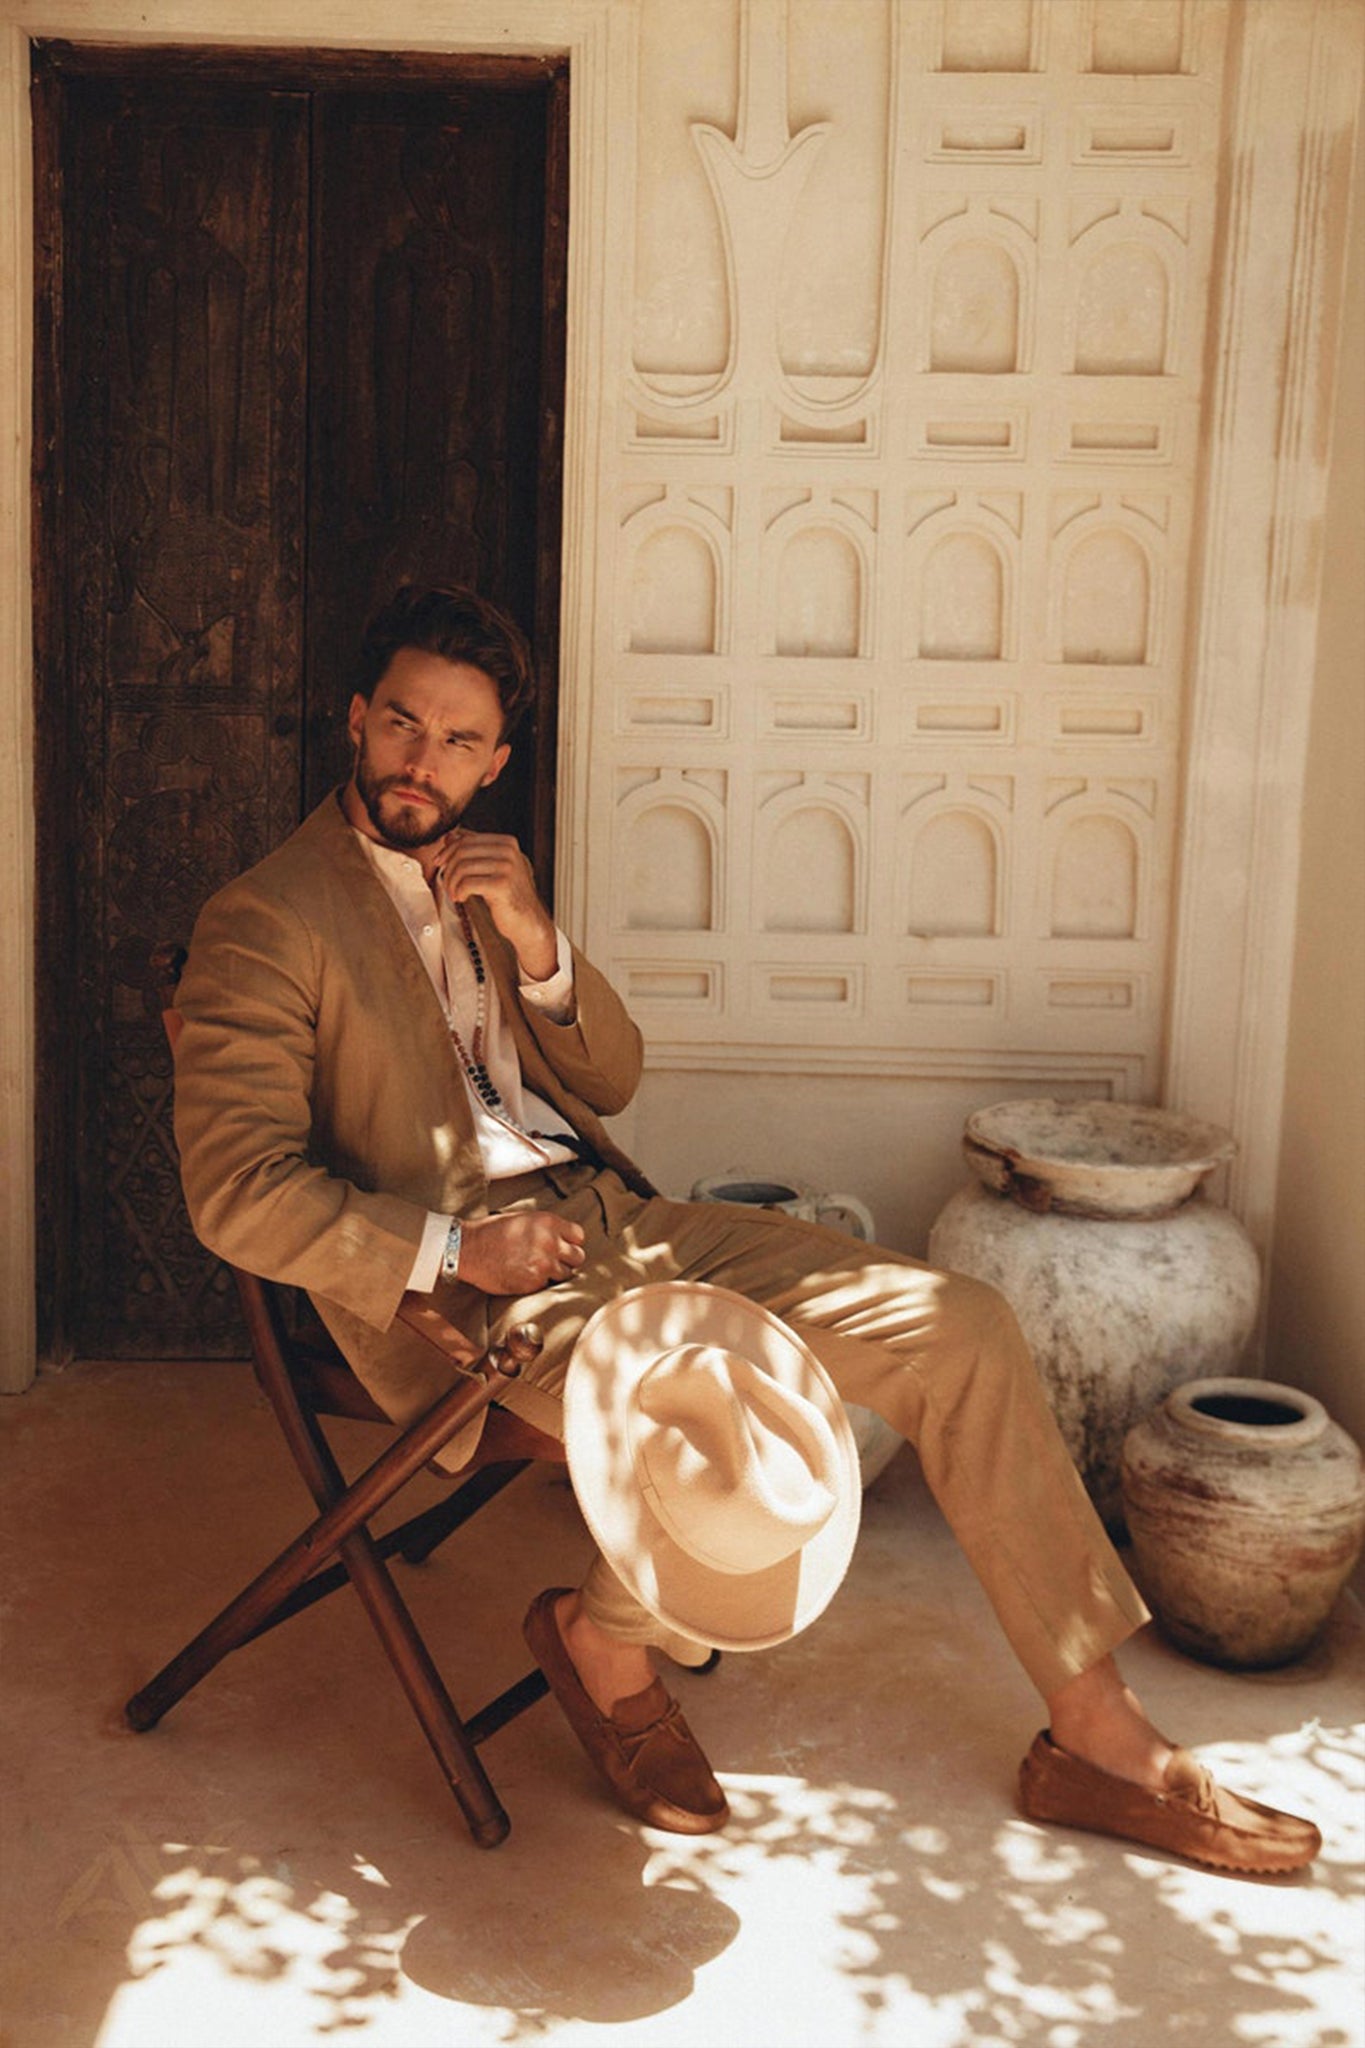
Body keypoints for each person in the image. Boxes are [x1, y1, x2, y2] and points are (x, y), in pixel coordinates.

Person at [173, 585, 1319, 1871]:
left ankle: (1093, 1734)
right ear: (355, 720)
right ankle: (608, 1637)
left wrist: (540, 942)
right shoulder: (270, 918)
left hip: (614, 1219)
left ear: (495, 761)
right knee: (714, 1403)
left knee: (959, 1326)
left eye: (455, 742)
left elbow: (608, 1081)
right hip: (470, 1286)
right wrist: (454, 1250)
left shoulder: (486, 882)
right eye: (400, 724)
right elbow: (236, 1189)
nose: (419, 762)